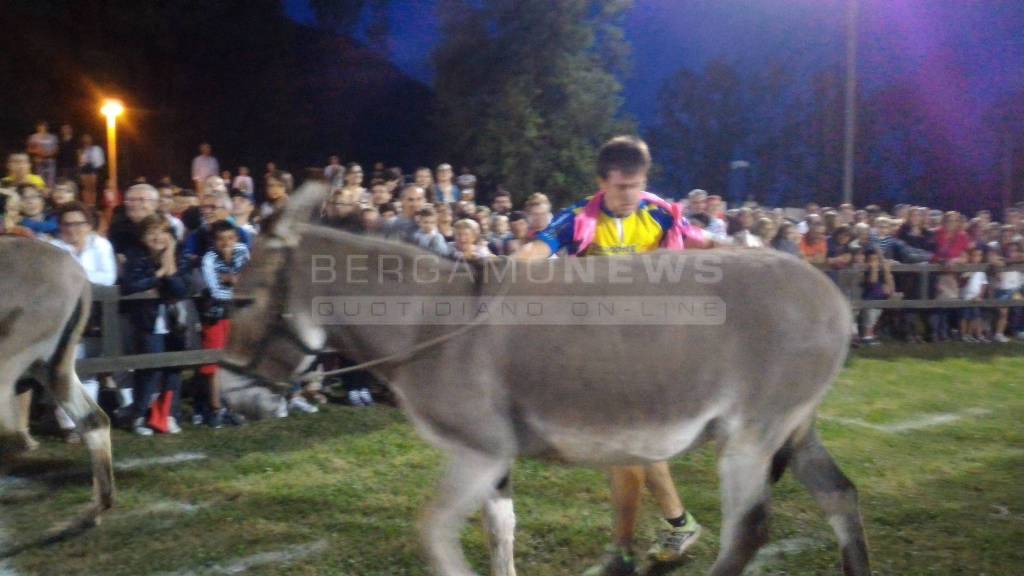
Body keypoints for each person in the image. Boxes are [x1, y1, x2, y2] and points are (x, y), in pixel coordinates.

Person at [515, 136, 706, 576]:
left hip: (650, 345)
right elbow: (536, 249)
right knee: (635, 441)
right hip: (602, 346)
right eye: (620, 188)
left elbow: (703, 247)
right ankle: (678, 523)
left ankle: (620, 555)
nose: (629, 196)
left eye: (637, 186)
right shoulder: (580, 217)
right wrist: (510, 268)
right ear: (602, 182)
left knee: (625, 442)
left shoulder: (659, 213)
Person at [50, 202, 117, 441]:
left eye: (78, 223)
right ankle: (68, 422)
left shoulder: (101, 245)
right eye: (67, 224)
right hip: (62, 317)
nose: (73, 229)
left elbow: (108, 278)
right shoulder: (54, 247)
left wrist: (73, 277)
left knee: (89, 369)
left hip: (94, 317)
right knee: (66, 369)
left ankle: (86, 420)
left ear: (89, 225)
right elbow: (51, 281)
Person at [120, 215, 191, 435]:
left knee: (173, 368)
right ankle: (139, 416)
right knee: (149, 368)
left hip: (175, 321)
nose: (157, 237)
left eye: (163, 232)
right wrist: (158, 275)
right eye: (151, 232)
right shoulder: (136, 256)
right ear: (142, 237)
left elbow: (179, 289)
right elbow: (130, 285)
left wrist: (169, 259)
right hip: (148, 321)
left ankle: (168, 415)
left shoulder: (180, 256)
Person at [198, 220, 251, 428]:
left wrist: (233, 280)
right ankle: (215, 408)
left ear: (236, 238)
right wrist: (235, 284)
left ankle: (232, 407)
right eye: (221, 240)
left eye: (230, 238)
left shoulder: (243, 251)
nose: (226, 243)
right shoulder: (209, 259)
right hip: (216, 316)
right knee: (214, 365)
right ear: (213, 241)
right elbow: (214, 291)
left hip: (238, 316)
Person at [27, 121, 59, 188]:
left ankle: (49, 195)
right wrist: (37, 152)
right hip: (39, 161)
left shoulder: (52, 137)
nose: (42, 128)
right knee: (40, 181)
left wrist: (48, 154)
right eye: (40, 126)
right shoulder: (33, 137)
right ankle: (40, 194)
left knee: (50, 181)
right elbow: (29, 149)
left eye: (44, 126)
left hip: (50, 161)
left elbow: (56, 149)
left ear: (47, 127)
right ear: (37, 127)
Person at [78, 134, 106, 208]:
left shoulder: (96, 149)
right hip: (84, 169)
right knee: (85, 187)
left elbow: (101, 162)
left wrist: (93, 163)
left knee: (92, 187)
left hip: (93, 168)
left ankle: (92, 204)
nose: (86, 140)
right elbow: (80, 162)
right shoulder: (81, 150)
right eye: (85, 138)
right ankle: (86, 204)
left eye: (88, 138)